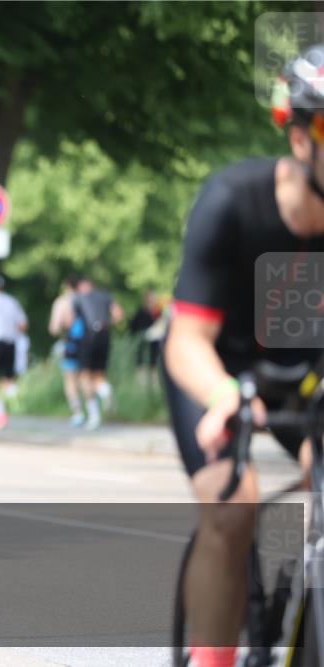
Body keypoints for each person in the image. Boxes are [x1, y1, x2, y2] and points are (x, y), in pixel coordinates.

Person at [163, 44, 324, 667]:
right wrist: (225, 397)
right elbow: (185, 340)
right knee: (233, 507)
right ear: (299, 135)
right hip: (214, 373)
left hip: (305, 378)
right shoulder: (233, 201)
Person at [67, 275, 123, 429]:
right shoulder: (106, 295)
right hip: (104, 334)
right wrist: (107, 323)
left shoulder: (77, 298)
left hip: (88, 336)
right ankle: (106, 390)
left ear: (81, 286)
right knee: (99, 374)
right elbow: (119, 315)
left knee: (85, 375)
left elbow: (71, 321)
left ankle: (94, 415)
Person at [0, 275, 28, 430]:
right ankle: (16, 401)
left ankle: (0, 411)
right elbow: (23, 325)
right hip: (11, 343)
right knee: (9, 378)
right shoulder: (12, 301)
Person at [49, 275, 87, 425]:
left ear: (66, 286)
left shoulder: (63, 301)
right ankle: (94, 410)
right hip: (89, 344)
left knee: (70, 380)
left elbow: (54, 328)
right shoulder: (87, 299)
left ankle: (77, 412)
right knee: (87, 377)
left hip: (71, 343)